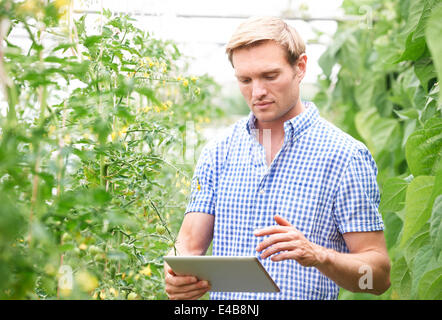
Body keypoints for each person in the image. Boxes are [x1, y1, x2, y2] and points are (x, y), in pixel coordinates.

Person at [164, 16, 391, 300]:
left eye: (270, 76)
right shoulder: (218, 152)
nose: (257, 92)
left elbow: (378, 278)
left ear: (301, 67)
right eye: (245, 80)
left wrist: (319, 255)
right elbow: (187, 245)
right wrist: (177, 276)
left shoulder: (345, 157)